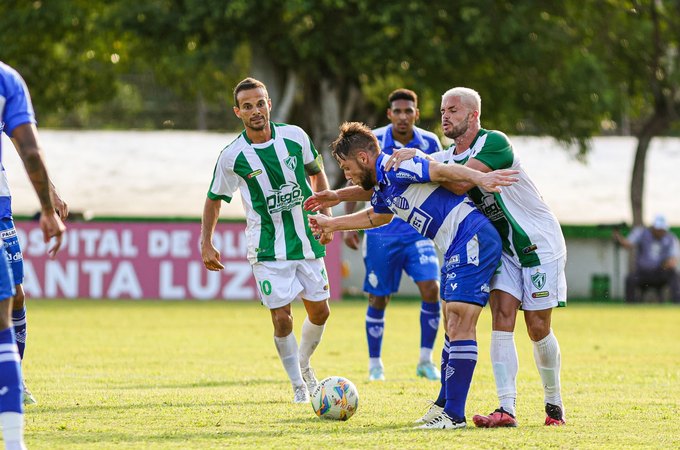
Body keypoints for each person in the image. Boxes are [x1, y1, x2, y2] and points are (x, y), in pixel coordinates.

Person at [305, 121, 518, 429]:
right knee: (451, 322)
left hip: (470, 236)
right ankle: (444, 405)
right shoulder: (383, 185)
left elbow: (441, 172)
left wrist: (481, 177)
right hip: (456, 242)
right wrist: (332, 223)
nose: (347, 174)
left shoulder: (398, 166)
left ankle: (454, 415)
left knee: (459, 321)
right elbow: (376, 216)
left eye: (347, 167)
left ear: (364, 159)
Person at [385, 87, 568, 427]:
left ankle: (554, 404)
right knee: (501, 317)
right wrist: (415, 156)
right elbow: (438, 167)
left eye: (453, 110)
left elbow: (456, 183)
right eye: (442, 110)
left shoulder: (494, 143)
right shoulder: (447, 156)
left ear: (473, 116)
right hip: (505, 251)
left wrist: (425, 162)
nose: (444, 116)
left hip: (539, 244)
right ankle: (506, 409)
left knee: (537, 326)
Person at [201, 77, 332, 404]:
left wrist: (326, 216)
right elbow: (214, 198)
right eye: (248, 106)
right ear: (238, 112)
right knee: (281, 317)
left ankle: (303, 362)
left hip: (305, 240)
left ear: (269, 103)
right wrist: (206, 241)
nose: (255, 110)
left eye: (260, 103)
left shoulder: (295, 136)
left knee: (321, 313)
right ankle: (298, 386)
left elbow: (316, 173)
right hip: (266, 247)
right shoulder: (233, 156)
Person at [343, 89, 443, 382]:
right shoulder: (372, 141)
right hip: (381, 233)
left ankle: (426, 361)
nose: (402, 116)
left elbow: (438, 176)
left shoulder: (429, 142)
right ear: (389, 114)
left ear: (416, 114)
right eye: (397, 111)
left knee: (432, 290)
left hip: (418, 231)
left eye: (408, 111)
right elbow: (359, 181)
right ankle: (375, 365)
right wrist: (351, 224)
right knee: (378, 298)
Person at [1, 61, 66, 450]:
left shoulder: (7, 81)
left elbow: (28, 149)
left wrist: (49, 198)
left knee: (14, 297)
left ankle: (15, 380)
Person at [614, 215, 680, 303]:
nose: (660, 232)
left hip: (660, 273)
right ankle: (630, 307)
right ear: (653, 227)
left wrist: (669, 263)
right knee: (630, 279)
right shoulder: (642, 233)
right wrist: (618, 237)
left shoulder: (671, 238)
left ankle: (677, 304)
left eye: (662, 230)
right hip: (643, 273)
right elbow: (628, 244)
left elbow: (674, 258)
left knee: (674, 275)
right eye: (658, 229)